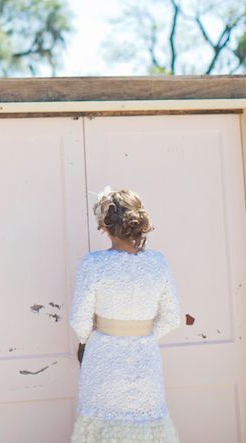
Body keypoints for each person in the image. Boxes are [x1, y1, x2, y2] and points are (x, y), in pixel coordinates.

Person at [69, 186, 181, 442]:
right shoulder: (157, 262)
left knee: (101, 426)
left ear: (104, 226)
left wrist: (92, 337)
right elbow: (172, 316)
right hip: (145, 361)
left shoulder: (93, 264)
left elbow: (79, 321)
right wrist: (145, 335)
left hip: (103, 360)